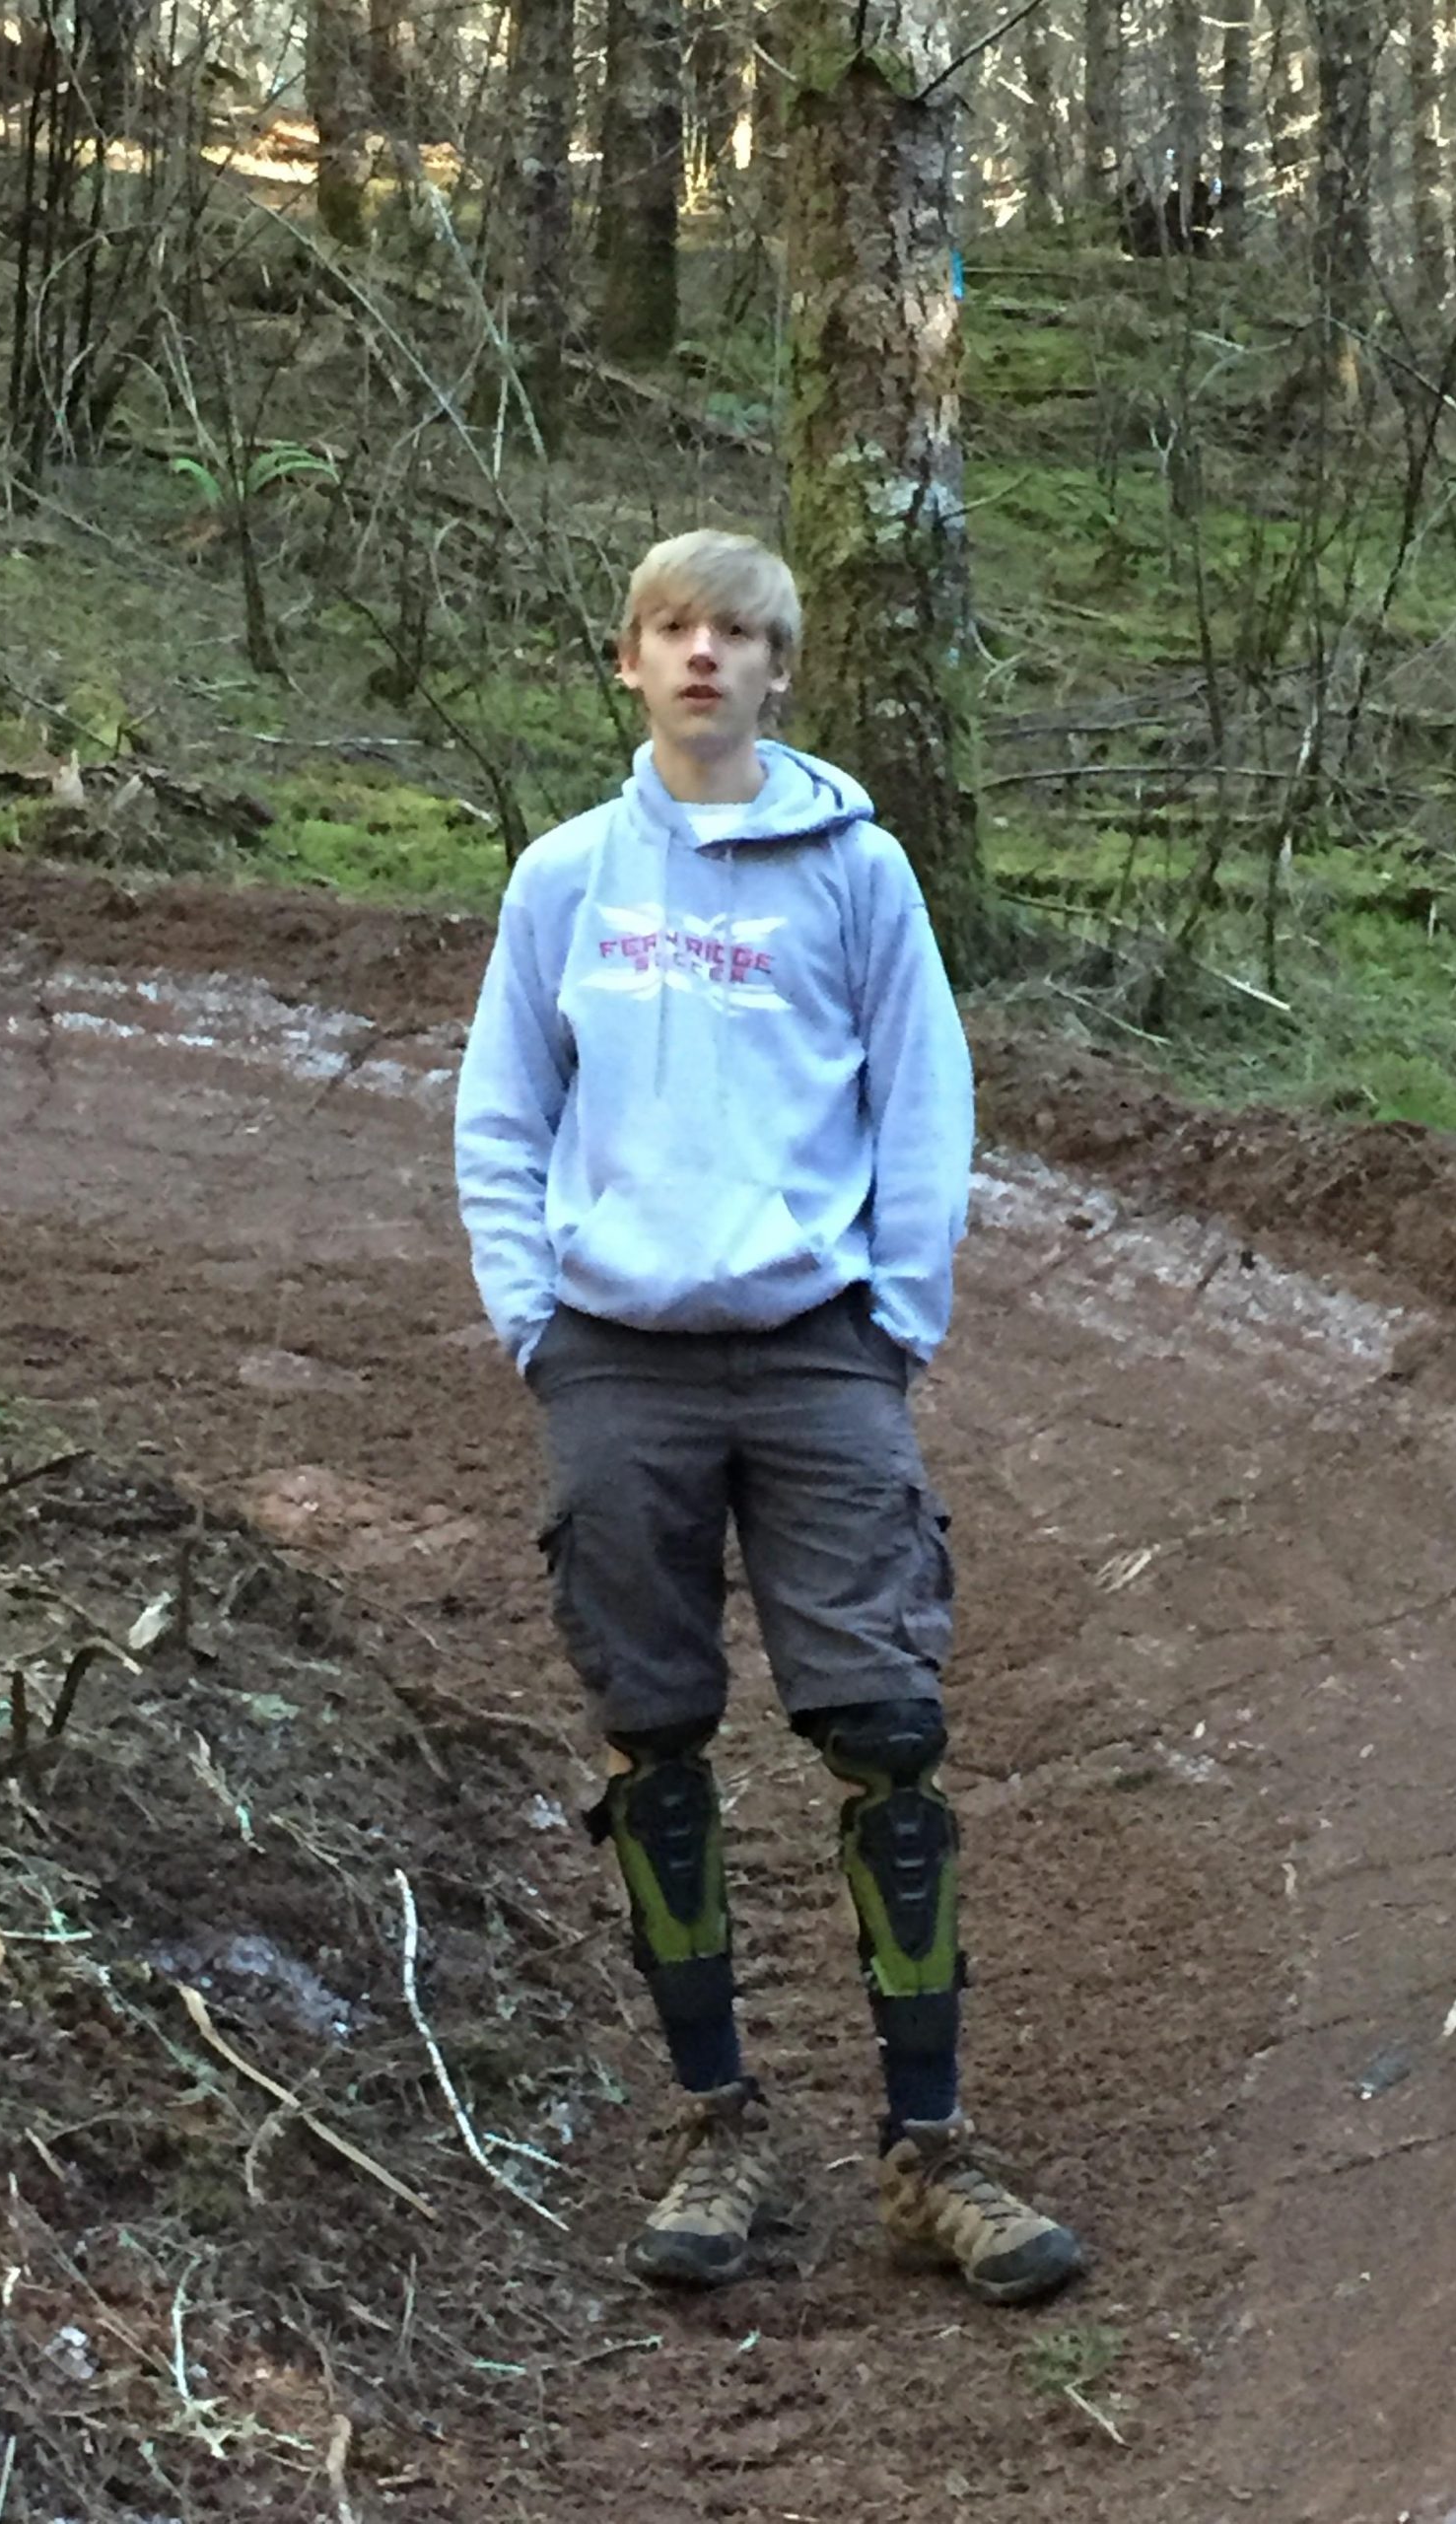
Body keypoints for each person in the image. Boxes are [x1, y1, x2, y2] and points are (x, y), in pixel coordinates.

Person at [453, 528, 1081, 2304]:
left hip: (820, 1353)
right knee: (652, 1743)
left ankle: (931, 2151)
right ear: (627, 661)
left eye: (739, 632)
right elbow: (501, 1117)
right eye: (675, 629)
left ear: (783, 667)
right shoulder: (564, 879)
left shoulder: (858, 871)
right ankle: (718, 2127)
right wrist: (537, 1326)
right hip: (614, 1358)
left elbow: (925, 1103)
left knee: (889, 1737)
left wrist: (892, 1318)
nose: (706, 657)